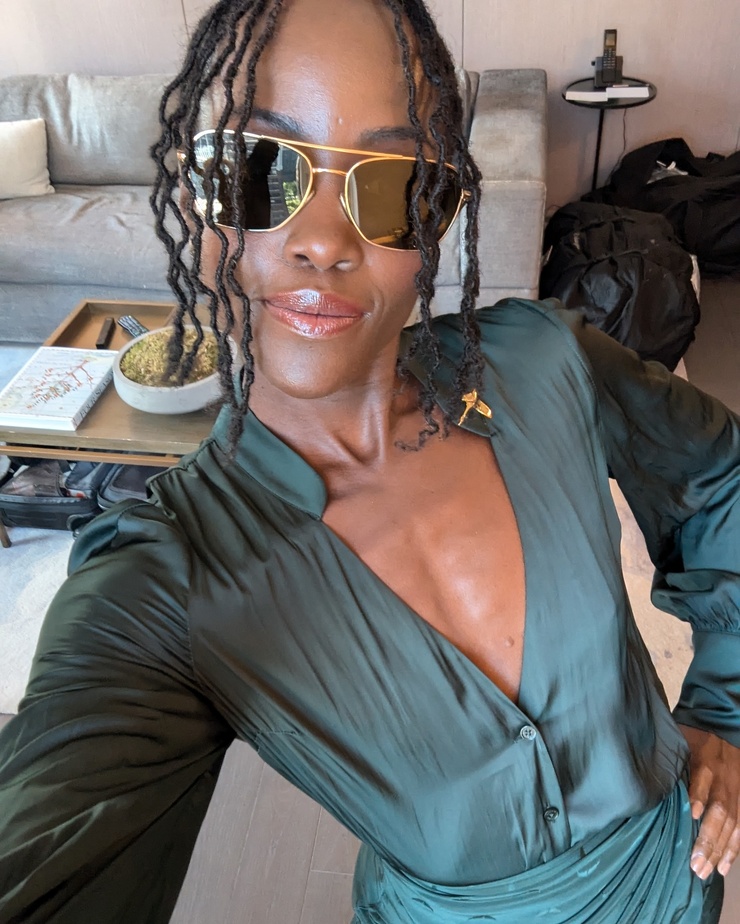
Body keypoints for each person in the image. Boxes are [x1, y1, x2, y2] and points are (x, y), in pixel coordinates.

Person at [0, 0, 738, 921]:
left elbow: (721, 475)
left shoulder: (547, 364)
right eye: (258, 168)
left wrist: (725, 706)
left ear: (435, 225)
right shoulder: (165, 581)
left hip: (682, 883)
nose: (323, 241)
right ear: (196, 197)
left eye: (392, 186)